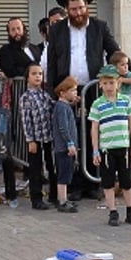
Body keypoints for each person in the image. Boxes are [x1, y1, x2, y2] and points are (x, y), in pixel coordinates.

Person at [45, 0, 122, 201]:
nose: (78, 13)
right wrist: (53, 91)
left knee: (92, 134)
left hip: (92, 90)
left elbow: (114, 51)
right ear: (67, 10)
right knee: (70, 134)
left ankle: (92, 183)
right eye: (73, 9)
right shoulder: (57, 30)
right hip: (66, 91)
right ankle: (75, 184)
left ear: (87, 7)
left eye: (81, 8)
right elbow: (52, 62)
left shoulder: (99, 27)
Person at [89, 64, 131, 226]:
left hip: (123, 146)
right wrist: (95, 150)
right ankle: (112, 211)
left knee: (126, 181)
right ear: (100, 84)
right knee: (108, 181)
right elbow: (94, 128)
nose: (109, 86)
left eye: (112, 83)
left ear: (118, 83)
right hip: (107, 149)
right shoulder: (98, 104)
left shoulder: (125, 101)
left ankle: (130, 210)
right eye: (105, 83)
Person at [17, 63, 54, 210]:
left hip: (47, 136)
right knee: (35, 168)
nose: (38, 76)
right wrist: (30, 139)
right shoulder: (26, 97)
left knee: (51, 166)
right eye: (34, 74)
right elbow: (26, 121)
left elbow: (52, 108)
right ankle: (36, 198)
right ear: (27, 77)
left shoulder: (44, 95)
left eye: (40, 73)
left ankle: (54, 195)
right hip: (35, 138)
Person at [51, 76, 80, 212]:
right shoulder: (61, 107)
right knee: (63, 174)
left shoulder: (64, 106)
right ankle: (62, 200)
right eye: (73, 91)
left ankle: (64, 199)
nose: (75, 93)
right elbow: (63, 127)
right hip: (64, 148)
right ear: (63, 93)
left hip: (65, 147)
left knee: (67, 173)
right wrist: (69, 143)